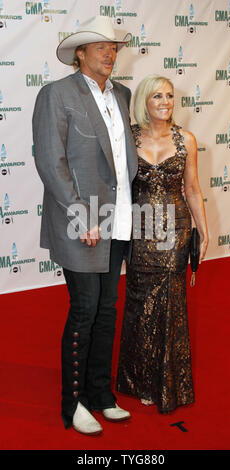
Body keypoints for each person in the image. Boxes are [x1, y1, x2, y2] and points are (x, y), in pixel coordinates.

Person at [32, 16, 138, 435]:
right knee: (85, 308)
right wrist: (79, 213)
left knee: (108, 309)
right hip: (82, 220)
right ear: (80, 54)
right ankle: (72, 403)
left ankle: (100, 394)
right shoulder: (57, 94)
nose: (110, 53)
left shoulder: (124, 94)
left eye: (114, 47)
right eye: (100, 47)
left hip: (120, 217)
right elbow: (50, 161)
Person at [116, 75, 208, 412]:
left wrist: (203, 229)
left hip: (176, 231)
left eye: (169, 95)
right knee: (140, 304)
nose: (165, 102)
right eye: (157, 96)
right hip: (139, 231)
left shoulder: (186, 139)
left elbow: (193, 188)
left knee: (169, 303)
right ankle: (139, 379)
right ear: (145, 101)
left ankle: (167, 384)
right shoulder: (131, 137)